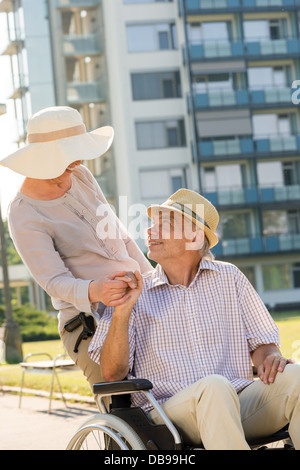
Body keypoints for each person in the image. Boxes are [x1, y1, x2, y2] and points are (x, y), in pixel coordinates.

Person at [89, 188, 300, 450]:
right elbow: (112, 373)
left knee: (296, 376)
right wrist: (122, 311)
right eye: (153, 224)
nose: (150, 232)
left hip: (237, 401)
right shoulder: (135, 292)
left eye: (164, 225)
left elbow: (263, 345)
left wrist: (271, 358)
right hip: (167, 416)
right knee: (213, 387)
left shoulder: (229, 278)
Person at [0, 105, 152, 391]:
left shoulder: (81, 175)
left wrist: (154, 281)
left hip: (138, 300)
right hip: (88, 321)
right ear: (45, 157)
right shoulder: (24, 213)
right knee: (121, 399)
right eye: (71, 153)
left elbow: (123, 238)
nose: (80, 159)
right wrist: (97, 289)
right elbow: (54, 281)